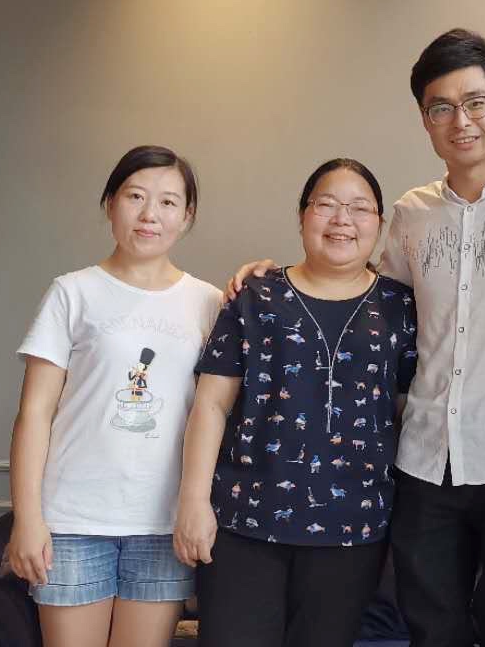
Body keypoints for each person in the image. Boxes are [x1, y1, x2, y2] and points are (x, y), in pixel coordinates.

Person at [229, 29, 485, 647]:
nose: (460, 120)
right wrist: (275, 277)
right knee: (431, 627)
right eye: (441, 107)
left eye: (476, 102)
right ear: (425, 120)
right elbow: (362, 294)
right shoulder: (411, 214)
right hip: (421, 459)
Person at [175, 158, 418, 647]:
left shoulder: (402, 307)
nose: (342, 219)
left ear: (380, 223)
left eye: (359, 208)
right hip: (244, 522)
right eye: (326, 205)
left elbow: (406, 411)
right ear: (302, 215)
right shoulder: (254, 296)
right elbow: (211, 406)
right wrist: (193, 502)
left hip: (353, 530)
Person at [8, 145, 221, 647]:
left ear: (187, 216)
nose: (150, 215)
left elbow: (214, 410)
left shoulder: (209, 303)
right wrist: (27, 518)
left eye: (168, 202)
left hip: (163, 522)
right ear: (110, 203)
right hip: (72, 519)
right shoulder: (72, 292)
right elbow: (34, 413)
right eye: (135, 196)